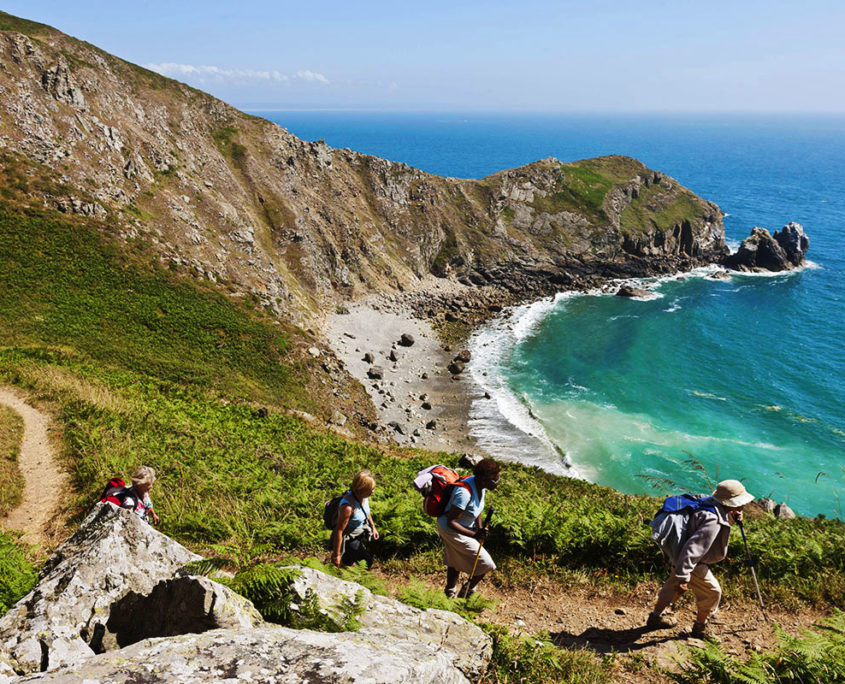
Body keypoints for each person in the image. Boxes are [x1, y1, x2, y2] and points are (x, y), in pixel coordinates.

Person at [646, 479, 754, 640]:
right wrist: (684, 576)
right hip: (692, 562)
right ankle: (700, 628)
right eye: (740, 502)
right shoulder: (713, 521)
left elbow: (708, 521)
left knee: (672, 584)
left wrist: (731, 517)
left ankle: (655, 617)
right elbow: (693, 549)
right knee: (712, 592)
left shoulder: (709, 502)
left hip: (678, 553)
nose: (743, 506)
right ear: (730, 502)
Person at [437, 458, 500, 598]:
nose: (497, 483)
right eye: (495, 480)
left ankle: (449, 592)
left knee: (455, 558)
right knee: (486, 563)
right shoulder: (464, 493)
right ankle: (465, 592)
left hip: (464, 527)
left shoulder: (479, 485)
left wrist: (479, 528)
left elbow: (477, 509)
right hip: (450, 529)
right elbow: (451, 521)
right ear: (484, 479)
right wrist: (474, 535)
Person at [332, 470, 379, 569]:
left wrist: (373, 527)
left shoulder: (364, 498)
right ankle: (358, 580)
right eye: (371, 489)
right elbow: (339, 530)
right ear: (362, 489)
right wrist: (336, 555)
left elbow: (366, 512)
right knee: (367, 561)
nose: (373, 491)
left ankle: (342, 572)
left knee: (348, 560)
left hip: (359, 533)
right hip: (349, 538)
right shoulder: (347, 507)